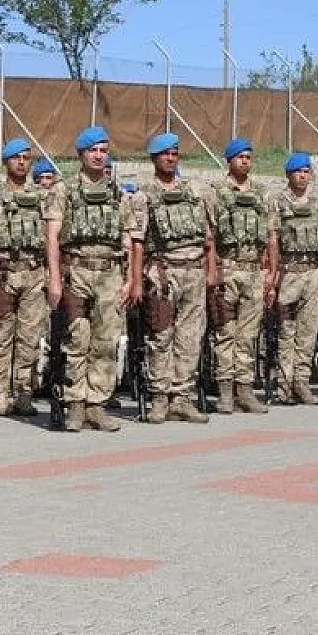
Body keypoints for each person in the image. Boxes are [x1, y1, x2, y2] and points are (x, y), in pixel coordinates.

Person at [124, 133, 215, 423]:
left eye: (174, 153)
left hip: (194, 271)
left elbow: (208, 237)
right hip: (162, 273)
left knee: (190, 337)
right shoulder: (144, 196)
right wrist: (136, 281)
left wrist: (211, 270)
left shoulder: (195, 192)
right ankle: (160, 397)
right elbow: (137, 242)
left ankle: (181, 397)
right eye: (165, 154)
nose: (171, 158)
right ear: (154, 158)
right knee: (161, 335)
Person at [46, 127, 128, 432]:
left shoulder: (118, 193)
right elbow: (52, 237)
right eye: (93, 150)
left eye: (103, 150)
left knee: (105, 342)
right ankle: (75, 405)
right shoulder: (64, 190)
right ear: (81, 154)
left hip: (110, 273)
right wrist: (55, 280)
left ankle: (96, 405)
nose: (98, 155)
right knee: (76, 339)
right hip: (76, 272)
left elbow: (128, 237)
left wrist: (130, 279)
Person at [206, 138, 278, 414]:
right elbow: (210, 236)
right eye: (240, 157)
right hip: (227, 269)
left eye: (249, 157)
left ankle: (245, 390)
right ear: (229, 161)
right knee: (226, 333)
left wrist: (271, 271)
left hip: (253, 271)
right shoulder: (216, 192)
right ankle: (226, 392)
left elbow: (271, 235)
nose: (245, 161)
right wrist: (212, 271)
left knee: (248, 335)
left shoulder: (262, 194)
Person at [0, 138, 50, 416]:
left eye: (26, 158)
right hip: (2, 273)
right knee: (1, 335)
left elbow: (51, 236)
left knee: (29, 338)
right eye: (16, 158)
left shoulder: (42, 197)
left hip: (33, 273)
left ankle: (23, 393)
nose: (22, 163)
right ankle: (0, 393)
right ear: (6, 162)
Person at [267, 152, 318, 405]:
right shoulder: (278, 202)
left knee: (309, 330)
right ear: (288, 175)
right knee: (287, 330)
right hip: (288, 272)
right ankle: (285, 385)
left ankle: (301, 382)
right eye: (298, 171)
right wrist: (272, 276)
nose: (303, 176)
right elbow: (272, 240)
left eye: (306, 171)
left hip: (312, 272)